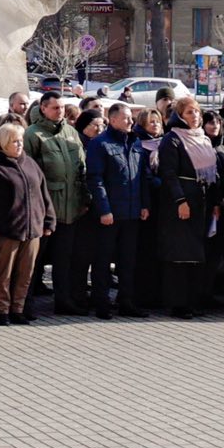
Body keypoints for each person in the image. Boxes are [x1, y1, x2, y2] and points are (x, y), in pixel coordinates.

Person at [0, 121, 53, 325]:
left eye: (20, 141)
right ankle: (2, 310)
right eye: (14, 141)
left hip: (32, 229)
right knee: (4, 274)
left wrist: (48, 220)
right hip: (6, 231)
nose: (19, 145)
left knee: (26, 273)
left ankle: (18, 308)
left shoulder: (30, 164)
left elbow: (43, 194)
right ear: (3, 143)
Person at [152, 99, 221, 320]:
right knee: (180, 253)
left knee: (197, 253)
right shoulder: (172, 139)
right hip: (182, 202)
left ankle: (194, 299)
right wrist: (180, 200)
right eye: (190, 112)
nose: (196, 116)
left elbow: (213, 173)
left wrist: (216, 203)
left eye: (197, 112)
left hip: (202, 201)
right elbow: (169, 173)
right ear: (180, 115)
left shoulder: (203, 138)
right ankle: (178, 303)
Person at [84, 102, 150, 319]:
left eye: (131, 118)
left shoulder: (136, 143)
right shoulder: (100, 144)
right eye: (126, 118)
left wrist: (144, 205)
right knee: (103, 260)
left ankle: (127, 302)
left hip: (132, 212)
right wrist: (104, 209)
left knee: (128, 260)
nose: (131, 121)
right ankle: (101, 302)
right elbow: (95, 179)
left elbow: (142, 177)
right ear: (112, 120)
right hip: (110, 214)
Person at [25, 93, 87, 314]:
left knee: (64, 259)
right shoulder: (33, 134)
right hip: (46, 208)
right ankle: (25, 303)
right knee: (35, 260)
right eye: (54, 108)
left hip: (71, 207)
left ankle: (63, 301)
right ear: (43, 108)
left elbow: (82, 166)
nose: (59, 111)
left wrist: (84, 198)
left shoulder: (71, 132)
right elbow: (27, 172)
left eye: (61, 107)